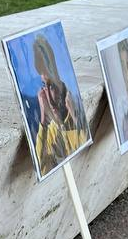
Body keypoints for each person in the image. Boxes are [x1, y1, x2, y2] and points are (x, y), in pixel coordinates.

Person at [29, 35, 88, 175]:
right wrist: (43, 122)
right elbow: (42, 168)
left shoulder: (75, 112)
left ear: (59, 82)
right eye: (44, 86)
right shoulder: (50, 130)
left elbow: (86, 153)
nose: (48, 98)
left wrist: (75, 118)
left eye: (51, 86)